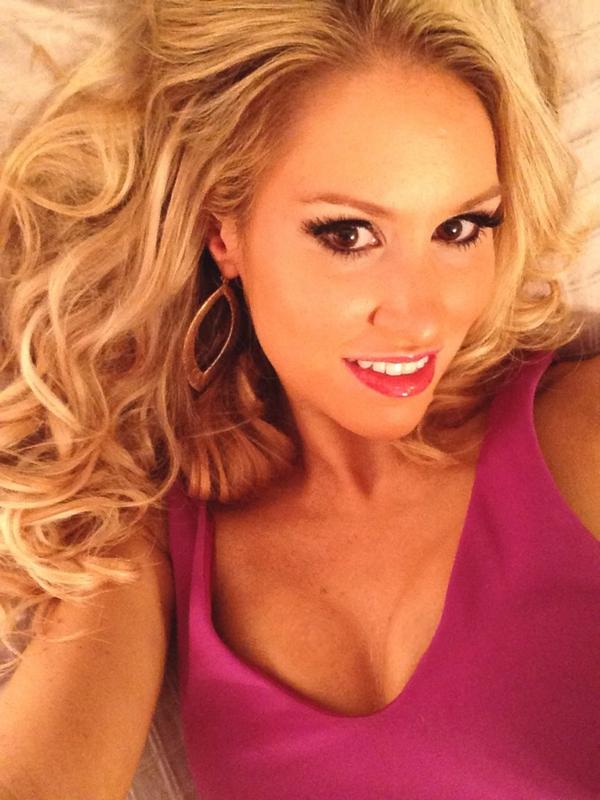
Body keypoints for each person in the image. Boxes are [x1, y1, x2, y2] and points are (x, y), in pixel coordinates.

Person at [0, 1, 598, 798]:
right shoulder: (155, 530)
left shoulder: (579, 432)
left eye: (460, 228)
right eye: (348, 234)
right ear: (225, 232)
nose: (420, 316)